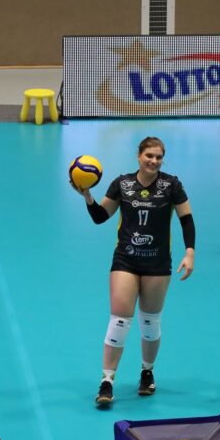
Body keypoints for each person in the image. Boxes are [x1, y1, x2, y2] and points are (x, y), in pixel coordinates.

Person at [73, 137, 195, 409]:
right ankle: (107, 381)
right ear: (138, 156)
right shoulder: (122, 184)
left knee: (150, 323)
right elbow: (100, 217)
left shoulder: (172, 185)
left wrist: (190, 252)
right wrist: (87, 196)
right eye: (149, 155)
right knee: (119, 320)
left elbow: (186, 219)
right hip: (126, 260)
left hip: (157, 263)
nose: (154, 161)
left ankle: (147, 372)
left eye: (159, 157)